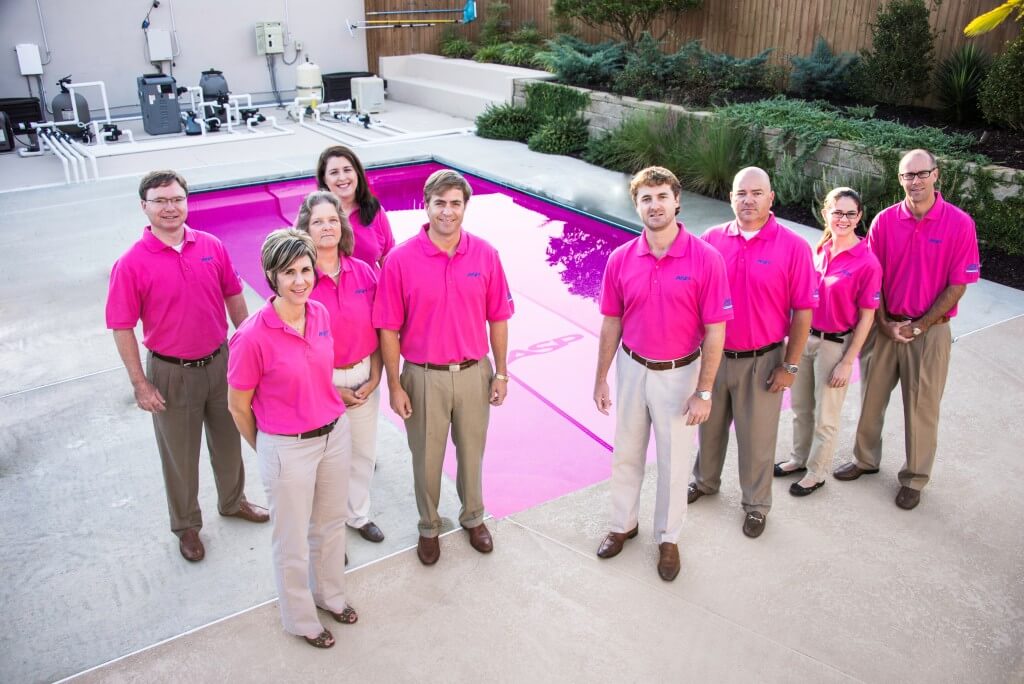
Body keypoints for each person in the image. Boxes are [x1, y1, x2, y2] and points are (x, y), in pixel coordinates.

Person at [106, 169, 268, 563]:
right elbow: (122, 327)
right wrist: (140, 384)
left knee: (230, 441)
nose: (170, 207)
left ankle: (233, 501)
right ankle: (187, 526)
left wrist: (246, 347)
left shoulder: (211, 245)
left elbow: (234, 295)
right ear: (144, 206)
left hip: (221, 363)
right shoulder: (130, 264)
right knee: (180, 454)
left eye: (176, 199)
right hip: (171, 371)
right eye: (160, 201)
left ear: (186, 202)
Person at [593, 167, 732, 581]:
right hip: (633, 368)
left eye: (661, 196)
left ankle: (668, 538)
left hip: (679, 374)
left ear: (677, 201)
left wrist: (704, 392)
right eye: (646, 198)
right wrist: (601, 377)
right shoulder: (621, 259)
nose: (654, 205)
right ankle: (623, 525)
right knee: (627, 452)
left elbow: (715, 331)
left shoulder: (706, 259)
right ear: (636, 205)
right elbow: (611, 324)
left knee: (674, 462)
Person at [372, 168, 514, 566]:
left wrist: (501, 372)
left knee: (472, 453)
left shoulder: (485, 254)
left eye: (455, 203)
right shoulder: (400, 260)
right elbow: (387, 328)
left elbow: (498, 317)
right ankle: (429, 526)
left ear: (466, 206)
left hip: (473, 373)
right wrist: (395, 387)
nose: (447, 212)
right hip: (423, 376)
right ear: (426, 204)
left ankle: (473, 517)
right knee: (426, 458)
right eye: (440, 203)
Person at [227, 229, 356, 649]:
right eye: (289, 273)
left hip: (333, 435)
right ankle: (301, 619)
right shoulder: (251, 336)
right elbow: (238, 406)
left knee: (331, 525)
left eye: (305, 270)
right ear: (271, 276)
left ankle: (330, 595)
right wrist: (268, 447)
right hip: (287, 447)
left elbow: (319, 376)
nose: (300, 280)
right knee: (292, 538)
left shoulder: (318, 313)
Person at [834, 149, 981, 510]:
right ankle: (865, 460)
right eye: (907, 176)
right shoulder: (885, 221)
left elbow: (958, 285)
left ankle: (915, 477)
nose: (914, 181)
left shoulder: (959, 224)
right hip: (885, 327)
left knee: (921, 408)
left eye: (921, 174)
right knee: (871, 398)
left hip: (929, 333)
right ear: (900, 179)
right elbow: (873, 276)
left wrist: (920, 326)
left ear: (936, 175)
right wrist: (883, 321)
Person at [687, 167, 818, 538]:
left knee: (757, 439)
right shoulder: (711, 240)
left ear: (770, 198)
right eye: (741, 193)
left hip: (762, 361)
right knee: (708, 429)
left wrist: (790, 365)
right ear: (731, 197)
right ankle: (705, 481)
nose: (748, 200)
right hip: (713, 358)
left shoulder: (793, 247)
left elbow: (803, 312)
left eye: (756, 193)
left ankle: (757, 504)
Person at [774, 188, 881, 497]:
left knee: (826, 416)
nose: (843, 219)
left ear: (859, 217)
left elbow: (867, 318)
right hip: (805, 339)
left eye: (850, 213)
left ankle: (816, 473)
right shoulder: (818, 250)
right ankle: (798, 458)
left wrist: (848, 362)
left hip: (834, 346)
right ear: (825, 213)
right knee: (800, 407)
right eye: (837, 212)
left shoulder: (867, 262)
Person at [295, 191, 386, 543]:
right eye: (318, 221)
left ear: (342, 225)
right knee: (323, 462)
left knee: (363, 452)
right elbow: (293, 347)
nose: (326, 227)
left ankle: (357, 515)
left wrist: (376, 374)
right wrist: (330, 388)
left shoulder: (363, 272)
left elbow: (381, 327)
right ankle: (326, 532)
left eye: (332, 220)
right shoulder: (299, 280)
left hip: (364, 376)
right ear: (306, 228)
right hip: (320, 383)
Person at [316, 145, 396, 269]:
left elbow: (388, 260)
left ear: (357, 173)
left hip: (374, 287)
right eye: (334, 172)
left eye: (347, 170)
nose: (342, 178)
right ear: (324, 179)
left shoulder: (375, 210)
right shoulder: (312, 215)